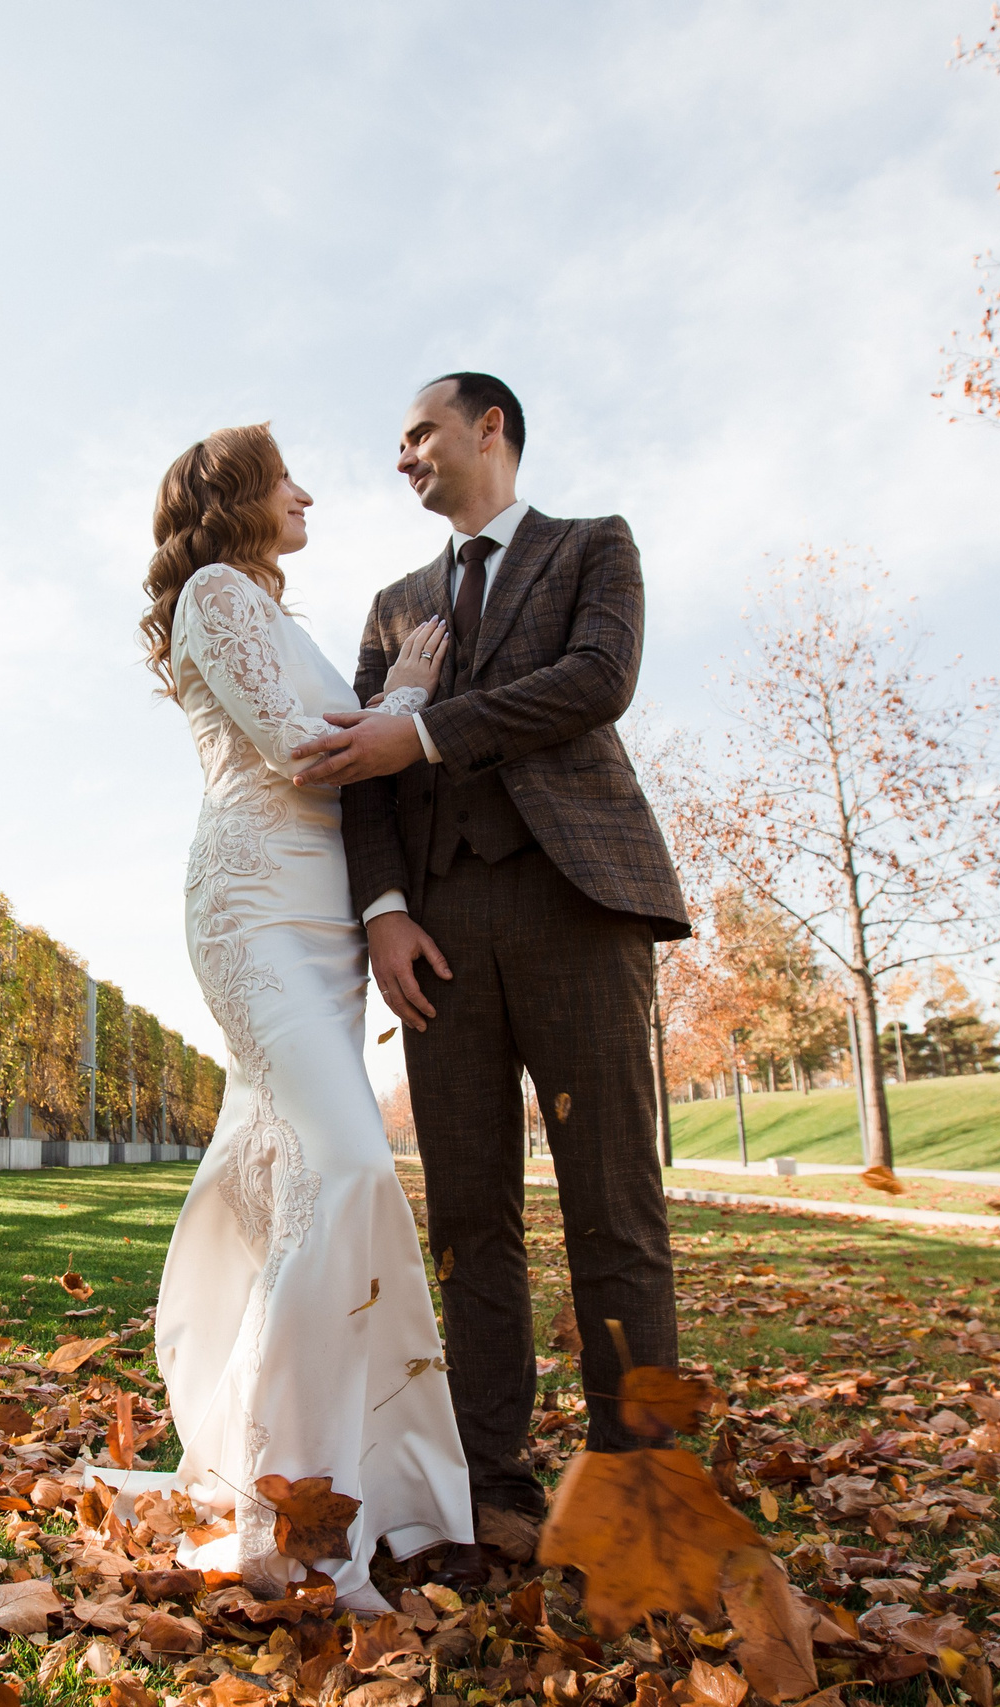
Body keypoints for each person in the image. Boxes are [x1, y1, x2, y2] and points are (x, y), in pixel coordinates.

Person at [290, 373, 690, 1579]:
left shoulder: (591, 548)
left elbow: (594, 683)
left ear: (488, 428)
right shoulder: (391, 603)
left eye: (417, 433)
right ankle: (491, 1491)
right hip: (440, 937)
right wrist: (386, 911)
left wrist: (425, 728)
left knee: (614, 1207)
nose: (402, 457)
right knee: (469, 1220)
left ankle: (643, 1493)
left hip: (579, 905)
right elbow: (359, 769)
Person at [143, 422, 473, 1610]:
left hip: (329, 934)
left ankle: (331, 1475)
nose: (309, 497)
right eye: (288, 481)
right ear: (234, 495)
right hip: (254, 918)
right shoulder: (215, 592)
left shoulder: (274, 613)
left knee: (286, 1182)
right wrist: (410, 697)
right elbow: (300, 747)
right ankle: (293, 1496)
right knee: (343, 1169)